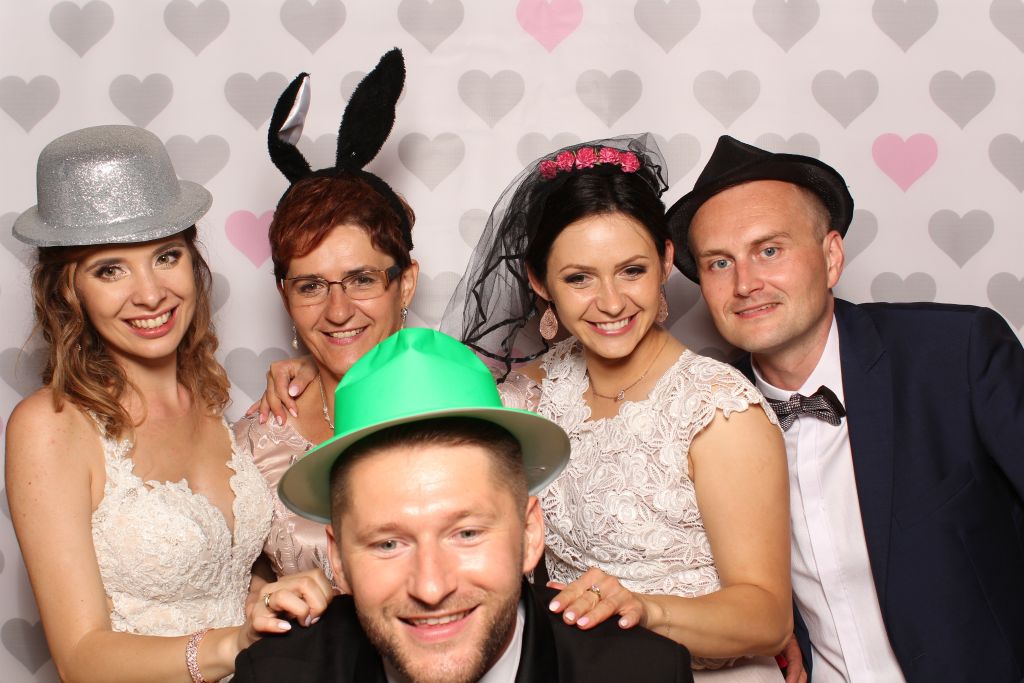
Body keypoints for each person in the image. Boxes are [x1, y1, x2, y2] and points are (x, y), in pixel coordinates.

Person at [666, 134, 1024, 682]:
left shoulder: (957, 352)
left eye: (769, 250)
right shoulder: (702, 416)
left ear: (831, 257)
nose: (746, 284)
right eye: (719, 262)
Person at [440, 135, 792, 681]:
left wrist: (645, 611)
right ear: (539, 281)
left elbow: (768, 619)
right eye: (578, 278)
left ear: (665, 261)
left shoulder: (718, 411)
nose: (610, 303)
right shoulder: (527, 395)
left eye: (631, 271)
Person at [5, 124, 330, 683]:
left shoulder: (207, 398)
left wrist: (270, 598)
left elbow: (218, 580)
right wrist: (233, 645)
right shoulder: (49, 426)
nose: (152, 293)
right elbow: (80, 657)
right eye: (110, 269)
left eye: (166, 256)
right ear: (68, 290)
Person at [235, 328, 694, 682]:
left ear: (530, 533)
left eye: (467, 534)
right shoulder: (274, 674)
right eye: (388, 543)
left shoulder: (644, 673)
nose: (431, 588)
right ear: (338, 557)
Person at [233, 48, 418, 583]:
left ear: (405, 283)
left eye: (362, 279)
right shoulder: (254, 443)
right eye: (311, 286)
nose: (338, 311)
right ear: (284, 295)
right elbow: (243, 587)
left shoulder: (471, 398)